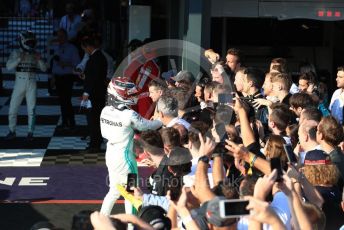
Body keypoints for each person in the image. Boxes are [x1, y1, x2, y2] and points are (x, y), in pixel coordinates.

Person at [100, 77, 162, 216]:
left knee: (113, 191)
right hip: (125, 158)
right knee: (133, 192)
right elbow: (147, 126)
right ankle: (131, 226)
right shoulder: (128, 114)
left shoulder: (105, 111)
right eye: (129, 94)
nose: (133, 96)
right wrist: (160, 121)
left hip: (110, 154)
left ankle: (101, 221)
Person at [5, 30, 47, 140]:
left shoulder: (35, 54)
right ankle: (12, 131)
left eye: (32, 42)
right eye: (29, 42)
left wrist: (40, 59)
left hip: (32, 83)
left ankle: (30, 132)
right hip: (19, 83)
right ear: (22, 41)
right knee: (12, 109)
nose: (31, 44)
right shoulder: (16, 53)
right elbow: (8, 67)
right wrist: (19, 59)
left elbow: (44, 68)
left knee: (31, 109)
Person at [80, 35, 107, 153]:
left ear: (88, 47)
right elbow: (94, 76)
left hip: (94, 94)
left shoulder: (95, 58)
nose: (85, 51)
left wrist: (86, 92)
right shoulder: (100, 57)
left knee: (93, 119)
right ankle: (96, 141)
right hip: (98, 93)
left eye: (84, 48)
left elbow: (94, 78)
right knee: (96, 119)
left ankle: (94, 144)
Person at [51, 28, 80, 130]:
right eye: (58, 36)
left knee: (66, 100)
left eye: (61, 36)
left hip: (68, 77)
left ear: (66, 37)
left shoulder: (72, 48)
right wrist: (53, 77)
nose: (59, 38)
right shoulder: (56, 48)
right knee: (62, 100)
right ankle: (66, 121)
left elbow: (77, 64)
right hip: (58, 77)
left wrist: (66, 64)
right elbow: (54, 64)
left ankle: (70, 121)